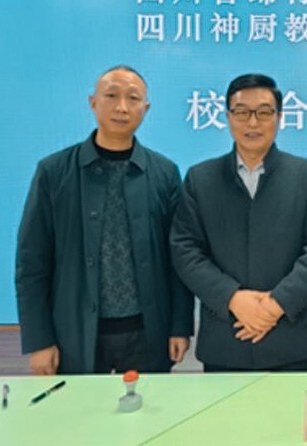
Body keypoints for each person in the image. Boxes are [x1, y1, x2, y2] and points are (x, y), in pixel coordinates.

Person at [16, 65, 194, 375]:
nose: (122, 107)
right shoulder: (54, 172)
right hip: (75, 333)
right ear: (93, 102)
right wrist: (39, 340)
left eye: (133, 98)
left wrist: (179, 326)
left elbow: (178, 258)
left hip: (147, 332)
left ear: (146, 108)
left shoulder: (164, 173)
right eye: (111, 96)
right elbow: (31, 262)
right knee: (81, 407)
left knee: (148, 407)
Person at [170, 74, 307, 372]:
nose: (252, 122)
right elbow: (185, 249)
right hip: (225, 338)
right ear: (227, 117)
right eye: (242, 112)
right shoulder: (200, 178)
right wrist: (232, 297)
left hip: (289, 337)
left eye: (263, 112)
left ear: (279, 117)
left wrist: (276, 304)